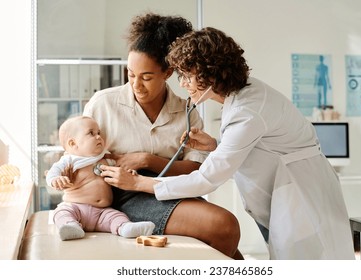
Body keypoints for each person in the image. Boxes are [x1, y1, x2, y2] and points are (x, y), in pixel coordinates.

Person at [99, 27, 356, 260]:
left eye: (188, 76)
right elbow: (256, 145)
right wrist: (215, 145)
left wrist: (139, 182)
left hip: (300, 192)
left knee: (311, 261)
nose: (183, 84)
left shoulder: (246, 110)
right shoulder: (243, 96)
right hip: (284, 190)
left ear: (210, 75)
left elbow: (207, 179)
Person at [83, 13, 242, 259]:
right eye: (131, 75)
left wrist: (147, 160)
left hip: (171, 188)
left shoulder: (186, 110)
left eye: (146, 77)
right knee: (223, 225)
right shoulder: (103, 104)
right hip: (124, 196)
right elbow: (78, 156)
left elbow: (194, 168)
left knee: (230, 244)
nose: (137, 85)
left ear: (168, 72)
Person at [46, 115, 155, 241]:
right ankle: (70, 226)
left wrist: (129, 173)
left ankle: (126, 228)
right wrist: (55, 179)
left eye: (99, 133)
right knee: (61, 212)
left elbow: (121, 171)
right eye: (91, 133)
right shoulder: (69, 160)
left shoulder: (106, 158)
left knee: (117, 216)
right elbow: (52, 172)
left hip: (102, 211)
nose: (98, 136)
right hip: (76, 207)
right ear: (73, 143)